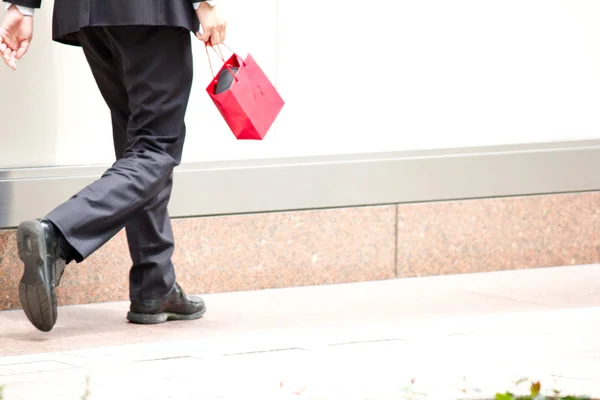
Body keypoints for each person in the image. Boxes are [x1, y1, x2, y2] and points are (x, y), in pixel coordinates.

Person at [0, 0, 227, 332]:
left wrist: (23, 6)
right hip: (150, 11)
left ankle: (155, 284)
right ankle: (57, 234)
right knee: (155, 146)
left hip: (89, 14)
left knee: (138, 148)